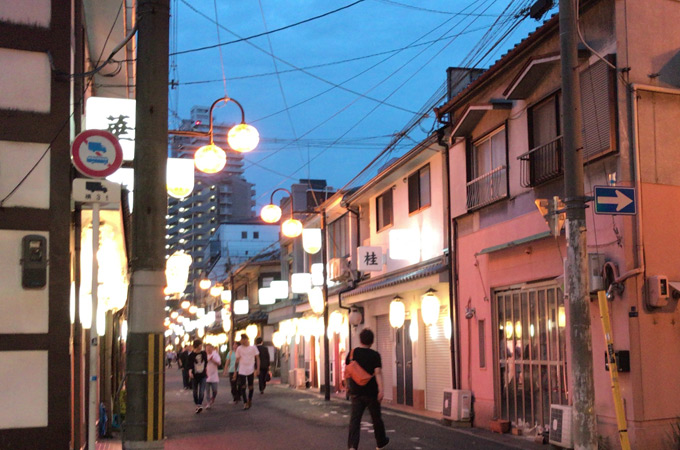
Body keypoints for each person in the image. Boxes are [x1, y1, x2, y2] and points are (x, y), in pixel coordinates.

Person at [346, 328, 389, 450]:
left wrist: (347, 386)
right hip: (371, 393)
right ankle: (380, 443)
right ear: (372, 341)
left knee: (355, 420)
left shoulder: (352, 353)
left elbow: (348, 372)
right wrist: (381, 390)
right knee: (376, 418)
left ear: (360, 340)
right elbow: (378, 373)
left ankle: (353, 446)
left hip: (356, 392)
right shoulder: (375, 355)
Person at [233, 334, 260, 410]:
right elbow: (237, 360)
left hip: (250, 369)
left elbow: (257, 358)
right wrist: (235, 371)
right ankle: (245, 402)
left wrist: (257, 369)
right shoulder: (239, 349)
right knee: (243, 386)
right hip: (242, 370)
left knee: (251, 386)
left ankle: (249, 399)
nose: (241, 341)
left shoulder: (253, 348)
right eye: (241, 340)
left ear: (246, 339)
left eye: (242, 339)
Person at [187, 339, 208, 414]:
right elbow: (189, 365)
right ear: (197, 345)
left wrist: (206, 370)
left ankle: (199, 405)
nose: (201, 346)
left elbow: (206, 362)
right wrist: (190, 372)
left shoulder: (204, 353)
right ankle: (197, 404)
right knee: (195, 392)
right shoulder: (191, 355)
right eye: (200, 344)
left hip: (203, 375)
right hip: (194, 376)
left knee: (201, 391)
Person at [205, 344, 221, 409]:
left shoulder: (215, 355)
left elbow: (219, 363)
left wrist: (212, 360)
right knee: (207, 390)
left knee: (215, 390)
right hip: (206, 375)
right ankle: (208, 403)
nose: (208, 350)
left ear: (212, 348)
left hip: (214, 375)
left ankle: (213, 397)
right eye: (207, 349)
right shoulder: (204, 356)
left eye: (209, 348)